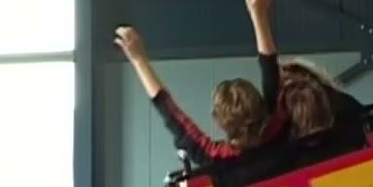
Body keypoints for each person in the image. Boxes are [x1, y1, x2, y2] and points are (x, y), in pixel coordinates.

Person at [114, 26, 286, 168]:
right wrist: (259, 15)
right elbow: (270, 71)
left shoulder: (216, 158)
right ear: (260, 104)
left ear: (219, 122)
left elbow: (169, 111)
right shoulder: (280, 130)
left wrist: (138, 60)